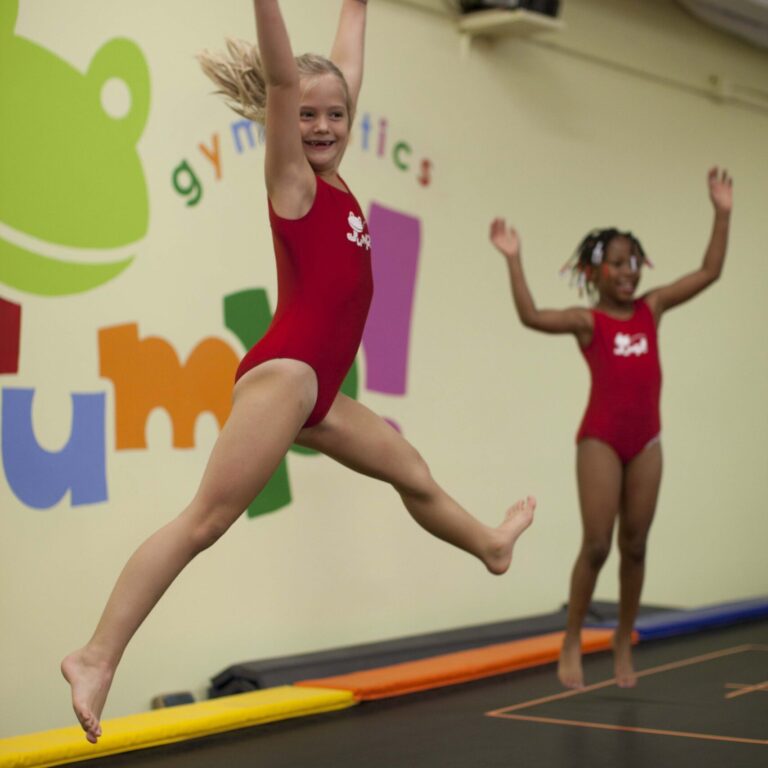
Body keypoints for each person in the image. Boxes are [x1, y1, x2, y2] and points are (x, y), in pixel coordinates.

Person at [62, 0, 535, 744]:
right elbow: (287, 82)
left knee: (411, 471)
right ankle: (95, 655)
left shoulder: (338, 180)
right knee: (206, 521)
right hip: (285, 376)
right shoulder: (294, 181)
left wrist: (356, 4)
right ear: (288, 117)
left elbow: (347, 58)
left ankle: (490, 545)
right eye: (308, 115)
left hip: (320, 390)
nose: (321, 127)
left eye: (335, 116)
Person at [489, 167, 732, 689]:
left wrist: (722, 212)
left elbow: (709, 271)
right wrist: (514, 259)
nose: (629, 272)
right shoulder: (588, 322)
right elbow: (531, 315)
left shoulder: (653, 308)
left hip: (647, 441)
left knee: (637, 545)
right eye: (617, 264)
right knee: (597, 544)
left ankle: (624, 636)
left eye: (634, 263)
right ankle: (574, 636)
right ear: (594, 273)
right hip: (599, 440)